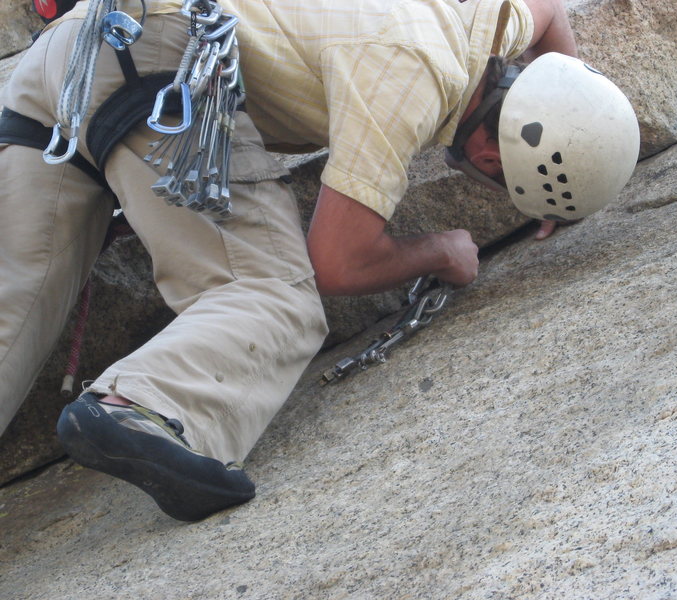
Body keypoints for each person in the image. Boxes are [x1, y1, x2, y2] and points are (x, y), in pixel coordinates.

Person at [0, 0, 638, 521]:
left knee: (11, 311)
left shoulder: (485, 21)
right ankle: (140, 404)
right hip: (161, 63)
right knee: (275, 292)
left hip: (70, 51)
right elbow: (336, 262)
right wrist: (441, 251)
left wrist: (571, 110)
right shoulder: (414, 77)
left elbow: (550, 11)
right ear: (497, 163)